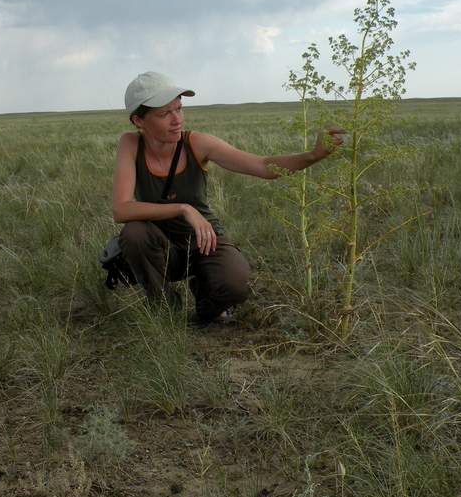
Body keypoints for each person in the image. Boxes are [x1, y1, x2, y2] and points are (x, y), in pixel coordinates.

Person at [112, 71, 341, 325]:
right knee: (133, 234)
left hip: (204, 241)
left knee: (236, 286)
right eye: (164, 114)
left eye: (178, 109)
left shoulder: (197, 143)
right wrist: (184, 208)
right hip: (162, 248)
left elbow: (263, 166)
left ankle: (204, 297)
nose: (177, 120)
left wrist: (313, 155)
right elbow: (121, 210)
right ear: (138, 121)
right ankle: (165, 310)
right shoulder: (130, 144)